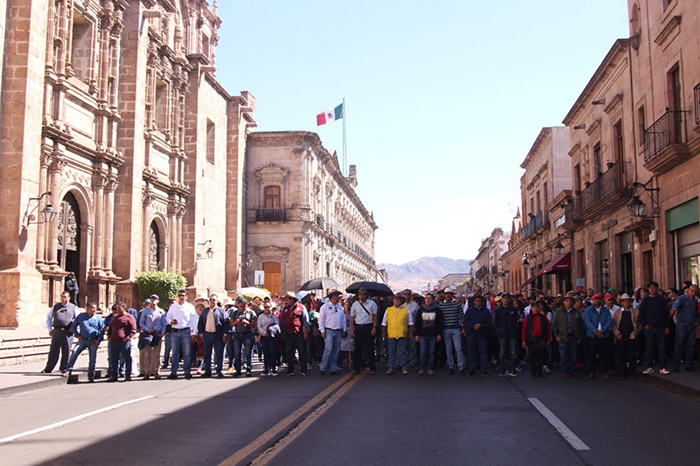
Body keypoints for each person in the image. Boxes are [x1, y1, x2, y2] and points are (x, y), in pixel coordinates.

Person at [66, 303, 104, 382]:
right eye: (92, 308)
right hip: (83, 339)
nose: (94, 310)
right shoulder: (81, 317)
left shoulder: (98, 318)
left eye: (95, 308)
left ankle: (91, 375)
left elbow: (102, 330)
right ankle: (68, 370)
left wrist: (98, 340)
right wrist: (77, 335)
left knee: (92, 358)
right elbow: (73, 327)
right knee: (74, 352)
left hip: (93, 340)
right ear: (87, 308)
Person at [166, 289, 198, 379]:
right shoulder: (173, 307)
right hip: (175, 331)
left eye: (183, 295)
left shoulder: (190, 307)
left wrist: (194, 333)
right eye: (180, 295)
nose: (181, 297)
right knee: (175, 353)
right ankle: (173, 372)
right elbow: (167, 317)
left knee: (187, 353)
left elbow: (194, 321)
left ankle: (187, 371)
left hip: (186, 331)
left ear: (186, 297)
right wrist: (171, 321)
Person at [639, 281, 671, 375]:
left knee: (661, 347)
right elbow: (642, 314)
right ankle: (650, 366)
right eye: (650, 288)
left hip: (660, 327)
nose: (652, 290)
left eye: (654, 288)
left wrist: (667, 326)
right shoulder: (646, 301)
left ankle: (663, 366)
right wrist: (645, 324)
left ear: (657, 289)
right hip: (650, 327)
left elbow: (666, 314)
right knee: (650, 347)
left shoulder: (662, 300)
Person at [42, 291, 77, 374]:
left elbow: (78, 319)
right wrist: (50, 329)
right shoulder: (55, 307)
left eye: (65, 297)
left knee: (66, 351)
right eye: (62, 297)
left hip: (67, 332)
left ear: (69, 298)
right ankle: (48, 368)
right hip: (57, 331)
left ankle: (64, 368)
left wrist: (73, 328)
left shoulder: (73, 307)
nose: (64, 299)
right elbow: (49, 318)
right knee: (54, 351)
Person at [196, 294, 227, 378]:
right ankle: (207, 371)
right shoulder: (205, 311)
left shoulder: (221, 311)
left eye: (213, 300)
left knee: (219, 354)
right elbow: (200, 323)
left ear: (217, 301)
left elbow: (225, 323)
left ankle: (219, 370)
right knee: (207, 354)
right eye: (210, 300)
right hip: (207, 335)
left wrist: (225, 334)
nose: (212, 301)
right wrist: (201, 333)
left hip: (218, 336)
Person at [552, 293, 582, 378]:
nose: (569, 302)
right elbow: (555, 325)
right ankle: (565, 370)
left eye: (570, 301)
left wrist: (579, 337)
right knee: (563, 355)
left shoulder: (576, 312)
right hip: (563, 336)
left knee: (574, 355)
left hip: (573, 336)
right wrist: (557, 336)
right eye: (567, 301)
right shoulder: (559, 312)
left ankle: (574, 370)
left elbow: (580, 325)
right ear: (564, 302)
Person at [382, 292, 413, 375]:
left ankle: (403, 367)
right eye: (395, 299)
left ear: (401, 301)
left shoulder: (406, 311)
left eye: (398, 299)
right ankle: (391, 367)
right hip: (391, 334)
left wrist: (411, 333)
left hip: (402, 333)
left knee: (402, 352)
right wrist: (383, 332)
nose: (397, 300)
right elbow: (384, 323)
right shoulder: (388, 310)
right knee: (391, 352)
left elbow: (410, 323)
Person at [584, 293, 613, 379]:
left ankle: (604, 371)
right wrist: (595, 331)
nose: (597, 301)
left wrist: (603, 330)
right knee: (592, 354)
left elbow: (609, 321)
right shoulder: (588, 310)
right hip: (592, 335)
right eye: (595, 299)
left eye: (599, 299)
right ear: (592, 300)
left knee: (603, 354)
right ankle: (591, 371)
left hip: (604, 335)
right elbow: (587, 322)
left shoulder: (606, 310)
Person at [280, 292, 309, 376]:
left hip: (298, 333)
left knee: (302, 351)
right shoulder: (284, 309)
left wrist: (305, 333)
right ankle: (290, 369)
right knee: (289, 352)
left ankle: (304, 369)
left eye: (287, 299)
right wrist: (283, 332)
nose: (286, 301)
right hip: (288, 334)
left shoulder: (301, 307)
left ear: (292, 299)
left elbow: (305, 321)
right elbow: (282, 321)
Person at [350, 287, 378, 375]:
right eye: (360, 294)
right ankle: (356, 367)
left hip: (368, 326)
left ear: (366, 295)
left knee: (370, 348)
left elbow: (375, 316)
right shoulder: (355, 305)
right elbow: (352, 318)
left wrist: (374, 327)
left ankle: (372, 367)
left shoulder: (372, 304)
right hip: (358, 327)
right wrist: (351, 329)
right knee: (357, 348)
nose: (361, 296)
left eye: (363, 294)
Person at [612, 293, 641, 379]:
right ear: (621, 302)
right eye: (624, 301)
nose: (626, 302)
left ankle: (632, 372)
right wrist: (617, 334)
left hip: (631, 335)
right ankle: (622, 372)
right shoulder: (618, 312)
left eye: (628, 301)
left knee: (632, 355)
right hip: (621, 336)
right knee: (621, 355)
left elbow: (639, 324)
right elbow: (614, 324)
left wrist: (636, 333)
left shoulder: (635, 312)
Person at [671, 284, 699, 372]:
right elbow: (674, 308)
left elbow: (697, 313)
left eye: (695, 292)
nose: (693, 293)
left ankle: (689, 365)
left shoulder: (696, 301)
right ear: (689, 290)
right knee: (679, 345)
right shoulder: (682, 299)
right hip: (682, 325)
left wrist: (696, 322)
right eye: (692, 291)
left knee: (691, 346)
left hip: (691, 325)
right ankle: (676, 366)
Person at [319, 289, 347, 375]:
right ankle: (323, 367)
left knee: (336, 350)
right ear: (331, 297)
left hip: (338, 330)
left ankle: (333, 368)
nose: (337, 297)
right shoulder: (324, 307)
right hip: (329, 330)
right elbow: (321, 319)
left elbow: (343, 319)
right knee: (328, 349)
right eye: (335, 296)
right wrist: (322, 330)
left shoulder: (340, 308)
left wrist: (344, 329)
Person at [414, 293, 443, 375]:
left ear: (433, 300)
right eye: (427, 298)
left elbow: (440, 323)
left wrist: (439, 334)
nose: (428, 300)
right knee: (422, 352)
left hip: (433, 334)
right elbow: (418, 323)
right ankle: (422, 368)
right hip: (423, 334)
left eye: (430, 298)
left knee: (432, 352)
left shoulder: (437, 310)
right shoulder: (421, 310)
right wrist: (417, 334)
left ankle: (430, 368)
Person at [107, 302, 137, 382]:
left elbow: (133, 329)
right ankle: (114, 375)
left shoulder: (129, 317)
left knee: (127, 358)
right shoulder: (115, 317)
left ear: (124, 308)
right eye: (117, 308)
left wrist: (128, 337)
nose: (118, 310)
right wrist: (109, 336)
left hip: (124, 341)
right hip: (114, 341)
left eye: (120, 308)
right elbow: (111, 327)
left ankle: (128, 375)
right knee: (114, 359)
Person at [439, 288, 466, 375]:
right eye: (446, 294)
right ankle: (450, 366)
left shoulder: (457, 304)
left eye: (449, 294)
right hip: (446, 329)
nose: (448, 295)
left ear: (452, 295)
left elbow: (461, 317)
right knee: (449, 349)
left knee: (458, 348)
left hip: (456, 328)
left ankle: (461, 366)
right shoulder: (441, 305)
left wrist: (463, 328)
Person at [464, 295, 492, 376]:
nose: (478, 303)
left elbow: (488, 322)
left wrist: (481, 326)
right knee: (471, 352)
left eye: (480, 301)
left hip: (482, 334)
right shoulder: (470, 310)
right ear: (474, 302)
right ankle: (471, 368)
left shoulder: (486, 311)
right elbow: (466, 321)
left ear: (482, 302)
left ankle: (484, 369)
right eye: (477, 301)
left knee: (483, 352)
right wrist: (473, 326)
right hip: (471, 334)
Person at [139, 297, 165, 380]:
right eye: (152, 299)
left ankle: (156, 371)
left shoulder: (161, 311)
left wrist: (162, 333)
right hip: (148, 334)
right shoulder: (145, 311)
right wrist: (146, 329)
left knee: (156, 354)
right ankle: (147, 372)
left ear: (158, 301)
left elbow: (164, 323)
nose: (153, 301)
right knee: (147, 354)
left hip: (157, 334)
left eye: (155, 299)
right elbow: (141, 322)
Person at [230, 297, 257, 377]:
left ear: (246, 305)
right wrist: (236, 322)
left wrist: (247, 323)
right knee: (237, 353)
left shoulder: (251, 312)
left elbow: (254, 325)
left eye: (243, 306)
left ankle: (248, 369)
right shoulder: (235, 313)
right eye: (240, 306)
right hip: (238, 334)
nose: (242, 308)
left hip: (247, 334)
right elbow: (231, 324)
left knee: (248, 352)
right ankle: (238, 370)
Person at [494, 293, 519, 377]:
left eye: (507, 298)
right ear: (501, 300)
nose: (506, 300)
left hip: (512, 333)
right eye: (504, 298)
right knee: (502, 352)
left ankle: (512, 369)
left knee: (513, 352)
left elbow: (516, 320)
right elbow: (496, 321)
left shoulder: (514, 309)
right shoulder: (498, 310)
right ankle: (503, 369)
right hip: (502, 334)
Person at [522, 301, 550, 377]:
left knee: (540, 355)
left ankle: (539, 370)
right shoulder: (528, 318)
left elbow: (548, 329)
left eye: (537, 307)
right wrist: (523, 341)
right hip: (531, 339)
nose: (535, 309)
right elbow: (524, 329)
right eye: (534, 307)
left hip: (541, 339)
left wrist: (548, 339)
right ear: (531, 308)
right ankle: (533, 371)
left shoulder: (543, 317)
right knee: (532, 356)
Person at [257, 301, 281, 375]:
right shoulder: (261, 317)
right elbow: (259, 326)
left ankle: (273, 368)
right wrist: (264, 333)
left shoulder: (274, 316)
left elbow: (277, 326)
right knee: (266, 353)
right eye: (265, 307)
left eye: (268, 307)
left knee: (272, 352)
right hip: (264, 337)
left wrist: (271, 332)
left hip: (272, 337)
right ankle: (266, 369)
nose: (267, 309)